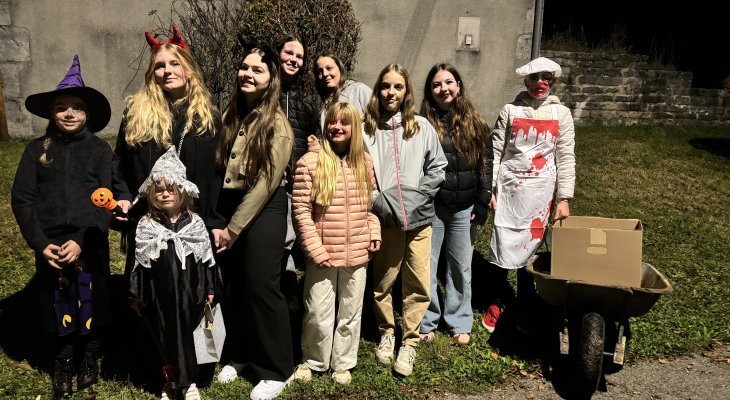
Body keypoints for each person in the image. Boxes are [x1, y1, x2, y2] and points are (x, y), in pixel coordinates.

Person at [11, 55, 113, 399]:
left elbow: (108, 199)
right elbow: (23, 199)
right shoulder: (36, 150)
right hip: (52, 244)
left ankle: (90, 355)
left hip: (89, 242)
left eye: (77, 108)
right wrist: (40, 243)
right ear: (51, 113)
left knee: (92, 302)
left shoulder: (99, 150)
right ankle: (64, 359)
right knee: (57, 303)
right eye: (61, 107)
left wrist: (84, 240)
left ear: (87, 114)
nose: (69, 114)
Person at [212, 45, 295, 400]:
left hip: (264, 208)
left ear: (271, 79)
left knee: (262, 285)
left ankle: (278, 368)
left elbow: (265, 183)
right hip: (229, 206)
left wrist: (233, 229)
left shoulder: (278, 124)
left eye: (256, 70)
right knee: (234, 285)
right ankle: (241, 354)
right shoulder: (232, 114)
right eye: (243, 67)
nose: (246, 74)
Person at [113, 24, 223, 276]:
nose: (167, 71)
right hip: (148, 221)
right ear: (153, 73)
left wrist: (216, 221)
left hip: (193, 223)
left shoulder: (208, 117)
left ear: (188, 70)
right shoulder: (136, 113)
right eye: (160, 66)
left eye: (174, 63)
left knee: (190, 291)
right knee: (150, 291)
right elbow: (119, 161)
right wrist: (122, 195)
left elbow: (217, 173)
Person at [364, 64, 447, 377]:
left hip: (420, 220)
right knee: (383, 281)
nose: (391, 93)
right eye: (386, 86)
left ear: (406, 91)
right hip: (386, 221)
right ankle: (387, 332)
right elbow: (360, 169)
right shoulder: (367, 128)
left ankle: (409, 341)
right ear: (379, 89)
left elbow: (437, 166)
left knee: (418, 282)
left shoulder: (421, 126)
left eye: (398, 87)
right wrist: (377, 200)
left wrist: (419, 197)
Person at [482, 57, 575, 334]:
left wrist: (564, 198)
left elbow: (566, 156)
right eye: (535, 78)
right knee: (502, 243)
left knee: (530, 250)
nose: (540, 83)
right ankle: (496, 302)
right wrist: (490, 189)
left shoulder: (562, 114)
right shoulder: (510, 110)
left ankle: (524, 302)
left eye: (546, 78)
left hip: (540, 195)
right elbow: (495, 151)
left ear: (553, 81)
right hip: (509, 191)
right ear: (525, 80)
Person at [291, 102, 381, 385]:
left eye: (344, 123)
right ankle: (313, 359)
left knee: (350, 312)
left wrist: (374, 232)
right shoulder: (310, 162)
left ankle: (342, 362)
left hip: (357, 251)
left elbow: (370, 204)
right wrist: (314, 249)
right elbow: (301, 211)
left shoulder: (364, 161)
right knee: (318, 311)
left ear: (354, 128)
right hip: (323, 253)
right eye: (333, 122)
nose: (338, 128)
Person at [129, 148, 218, 400]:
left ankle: (190, 382)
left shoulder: (196, 224)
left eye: (171, 188)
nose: (165, 193)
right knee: (163, 335)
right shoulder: (147, 226)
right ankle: (168, 381)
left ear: (183, 191)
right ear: (151, 194)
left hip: (193, 294)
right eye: (159, 189)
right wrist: (135, 295)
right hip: (161, 297)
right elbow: (140, 264)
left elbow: (207, 260)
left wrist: (210, 290)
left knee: (193, 336)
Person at [418, 63, 493, 346]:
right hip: (432, 207)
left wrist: (483, 200)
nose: (443, 89)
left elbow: (486, 163)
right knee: (426, 265)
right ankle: (427, 319)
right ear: (430, 91)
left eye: (448, 82)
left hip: (464, 207)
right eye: (436, 85)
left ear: (458, 86)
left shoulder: (475, 122)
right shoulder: (422, 123)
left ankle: (459, 320)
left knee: (460, 266)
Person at [275, 34, 320, 315]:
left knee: (301, 237)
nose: (293, 59)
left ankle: (301, 296)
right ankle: (285, 294)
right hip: (274, 182)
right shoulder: (266, 90)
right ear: (277, 54)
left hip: (301, 182)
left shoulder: (308, 95)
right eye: (288, 53)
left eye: (300, 56)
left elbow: (314, 137)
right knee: (282, 241)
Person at [313, 54, 372, 122]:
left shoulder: (358, 90)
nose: (325, 74)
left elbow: (380, 118)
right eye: (320, 71)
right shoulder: (319, 101)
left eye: (329, 68)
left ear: (340, 69)